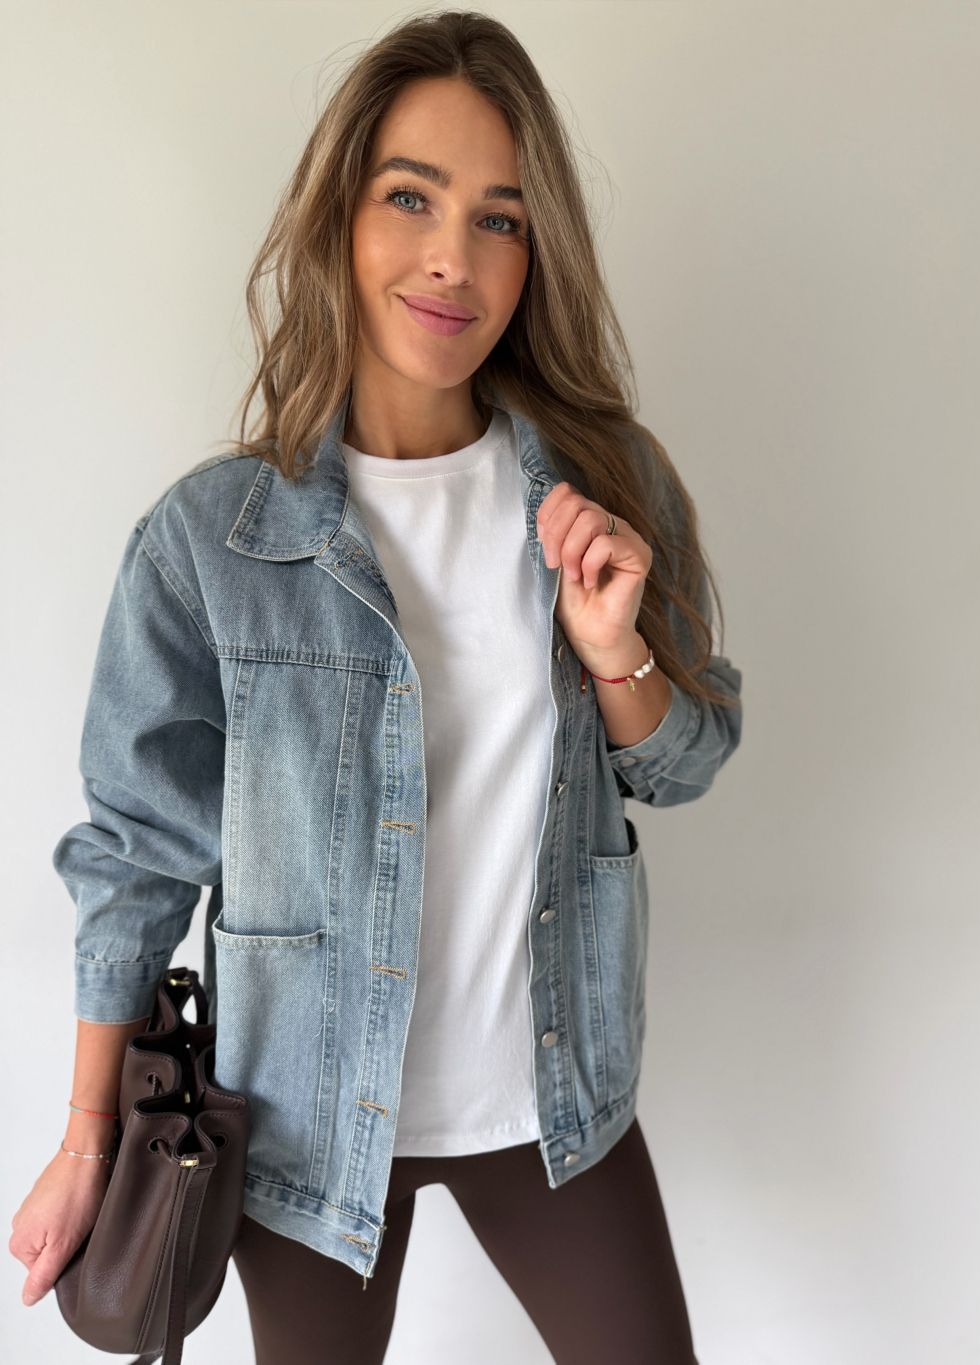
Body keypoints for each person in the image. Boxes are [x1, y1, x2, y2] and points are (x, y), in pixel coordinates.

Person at [10, 10, 742, 1362]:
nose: (453, 258)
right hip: (304, 1124)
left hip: (556, 1101)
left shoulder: (605, 487)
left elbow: (686, 761)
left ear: (537, 255)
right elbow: (138, 855)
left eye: (500, 219)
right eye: (412, 197)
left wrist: (611, 649)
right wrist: (83, 1139)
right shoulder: (212, 542)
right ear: (339, 215)